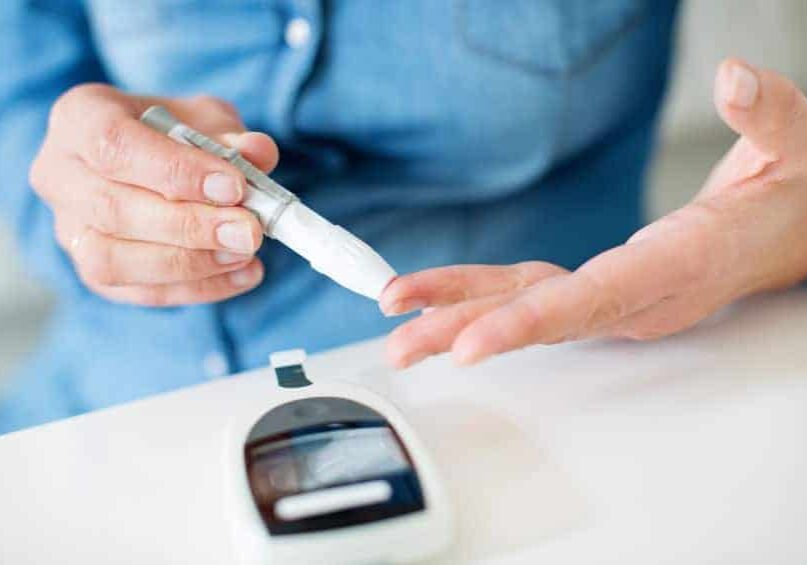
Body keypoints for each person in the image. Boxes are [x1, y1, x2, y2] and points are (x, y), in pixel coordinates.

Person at [1, 2, 805, 434]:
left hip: (514, 407)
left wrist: (781, 222)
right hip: (98, 417)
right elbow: (23, 109)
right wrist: (87, 186)